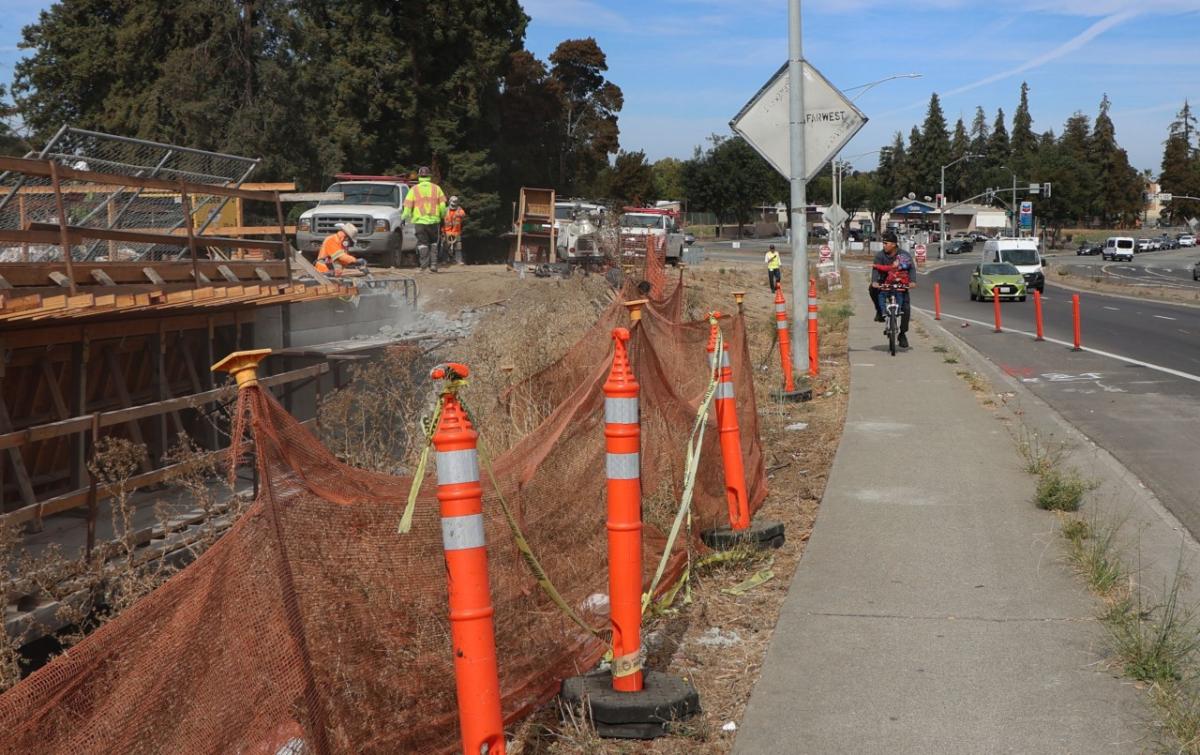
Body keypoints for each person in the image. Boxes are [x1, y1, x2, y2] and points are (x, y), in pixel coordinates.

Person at [871, 231, 915, 348]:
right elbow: (875, 269)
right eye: (883, 243)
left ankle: (902, 334)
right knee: (872, 289)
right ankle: (880, 311)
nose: (884, 245)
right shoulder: (880, 255)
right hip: (884, 283)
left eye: (886, 243)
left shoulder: (904, 255)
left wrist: (912, 281)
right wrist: (874, 281)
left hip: (899, 284)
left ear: (894, 244)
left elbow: (911, 269)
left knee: (906, 309)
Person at [402, 166, 447, 272]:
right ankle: (434, 265)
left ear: (419, 177)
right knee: (434, 243)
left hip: (420, 222)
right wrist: (441, 216)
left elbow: (407, 206)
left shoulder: (414, 189)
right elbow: (443, 206)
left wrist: (404, 217)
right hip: (434, 222)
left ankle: (423, 266)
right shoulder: (437, 188)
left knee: (422, 244)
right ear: (429, 176)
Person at [442, 196, 467, 265]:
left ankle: (458, 260)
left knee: (458, 247)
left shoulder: (459, 210)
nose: (453, 205)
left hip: (456, 231)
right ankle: (445, 260)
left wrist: (458, 212)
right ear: (449, 202)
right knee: (446, 247)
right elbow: (441, 219)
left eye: (455, 203)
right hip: (447, 232)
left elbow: (463, 214)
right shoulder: (445, 210)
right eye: (452, 202)